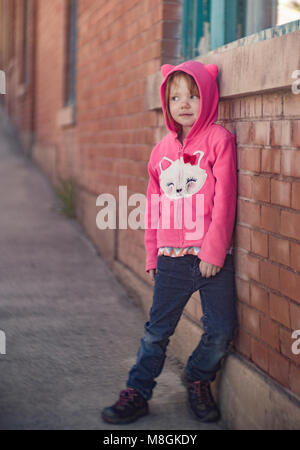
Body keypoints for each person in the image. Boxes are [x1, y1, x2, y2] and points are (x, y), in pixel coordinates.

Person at [101, 60, 238, 425]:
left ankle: (197, 376)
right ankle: (137, 391)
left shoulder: (219, 141)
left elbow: (225, 200)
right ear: (167, 102)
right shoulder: (160, 151)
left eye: (193, 95)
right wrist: (152, 252)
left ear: (208, 97)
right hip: (171, 259)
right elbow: (154, 205)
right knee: (157, 333)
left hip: (211, 259)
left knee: (222, 330)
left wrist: (213, 250)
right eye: (176, 96)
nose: (185, 103)